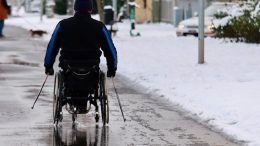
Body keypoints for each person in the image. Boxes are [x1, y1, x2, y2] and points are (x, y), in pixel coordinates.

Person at [44, 0, 118, 78]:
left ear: (75, 8)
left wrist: (48, 66)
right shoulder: (99, 26)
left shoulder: (62, 25)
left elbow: (52, 47)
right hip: (91, 67)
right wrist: (112, 68)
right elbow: (110, 49)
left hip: (68, 67)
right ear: (90, 9)